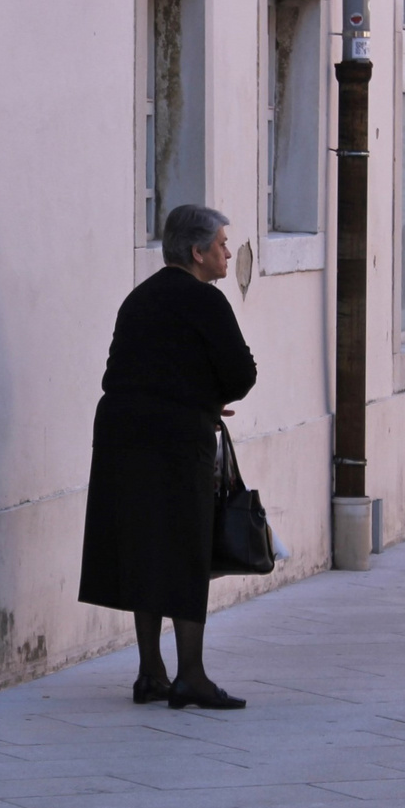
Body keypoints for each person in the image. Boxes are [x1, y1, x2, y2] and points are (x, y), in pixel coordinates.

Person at [78, 205, 258, 709]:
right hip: (176, 437)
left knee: (143, 546)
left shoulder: (139, 298)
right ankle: (191, 675)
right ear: (197, 253)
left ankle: (150, 672)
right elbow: (242, 375)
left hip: (121, 433)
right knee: (185, 547)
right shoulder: (206, 301)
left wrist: (192, 391)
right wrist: (204, 398)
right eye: (221, 243)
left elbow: (126, 369)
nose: (227, 251)